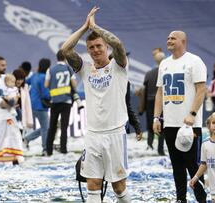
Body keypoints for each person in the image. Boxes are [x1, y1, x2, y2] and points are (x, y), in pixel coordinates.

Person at [61, 7, 136, 202]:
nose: (95, 50)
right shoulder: (85, 69)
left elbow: (118, 43)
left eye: (99, 46)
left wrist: (96, 27)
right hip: (93, 134)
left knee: (118, 187)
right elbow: (65, 49)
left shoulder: (118, 66)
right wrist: (85, 27)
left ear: (106, 47)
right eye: (91, 47)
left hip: (115, 133)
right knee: (92, 184)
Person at [153, 30, 207, 202]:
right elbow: (160, 92)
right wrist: (156, 117)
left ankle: (202, 199)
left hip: (189, 125)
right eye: (167, 37)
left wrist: (192, 114)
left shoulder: (194, 61)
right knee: (176, 166)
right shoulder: (164, 64)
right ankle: (180, 199)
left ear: (183, 41)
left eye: (172, 38)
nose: (168, 40)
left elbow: (201, 90)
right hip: (170, 123)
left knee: (193, 166)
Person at [0, 56, 24, 164]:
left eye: (5, 65)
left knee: (15, 136)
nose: (4, 67)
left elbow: (13, 91)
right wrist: (10, 106)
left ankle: (15, 159)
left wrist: (15, 99)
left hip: (9, 115)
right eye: (2, 65)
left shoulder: (4, 78)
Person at [45, 50, 77, 155]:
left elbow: (46, 85)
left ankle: (48, 150)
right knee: (64, 127)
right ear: (65, 58)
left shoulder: (50, 70)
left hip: (54, 101)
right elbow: (74, 84)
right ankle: (63, 150)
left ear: (57, 58)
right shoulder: (69, 69)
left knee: (52, 127)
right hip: (66, 101)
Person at [140, 47, 166, 155]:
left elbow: (144, 90)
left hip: (150, 101)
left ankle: (149, 145)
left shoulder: (149, 73)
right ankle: (160, 149)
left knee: (151, 125)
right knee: (162, 126)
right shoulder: (166, 73)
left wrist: (143, 106)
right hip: (162, 102)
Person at [23, 58, 51, 155]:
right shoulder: (44, 77)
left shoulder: (35, 75)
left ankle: (27, 138)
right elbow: (45, 94)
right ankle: (45, 149)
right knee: (46, 128)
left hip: (32, 105)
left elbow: (26, 82)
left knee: (45, 127)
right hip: (41, 106)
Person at [13, 69, 34, 133]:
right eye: (18, 79)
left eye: (21, 79)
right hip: (11, 113)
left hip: (21, 113)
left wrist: (29, 121)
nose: (19, 81)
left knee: (20, 132)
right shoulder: (10, 87)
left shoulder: (25, 87)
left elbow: (27, 104)